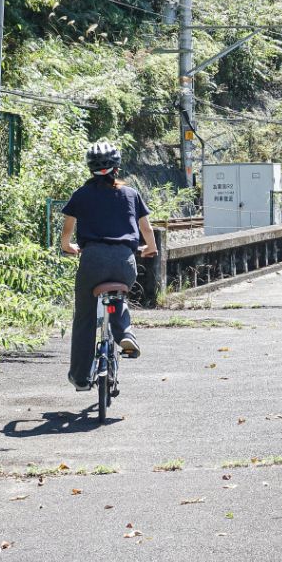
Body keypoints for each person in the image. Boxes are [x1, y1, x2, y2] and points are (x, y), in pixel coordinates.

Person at [58, 142, 158, 390]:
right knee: (119, 299)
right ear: (118, 167)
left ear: (90, 169)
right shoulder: (131, 194)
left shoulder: (81, 195)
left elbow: (67, 233)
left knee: (84, 317)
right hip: (124, 261)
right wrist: (150, 248)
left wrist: (68, 247)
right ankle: (125, 334)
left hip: (92, 261)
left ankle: (81, 377)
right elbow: (146, 230)